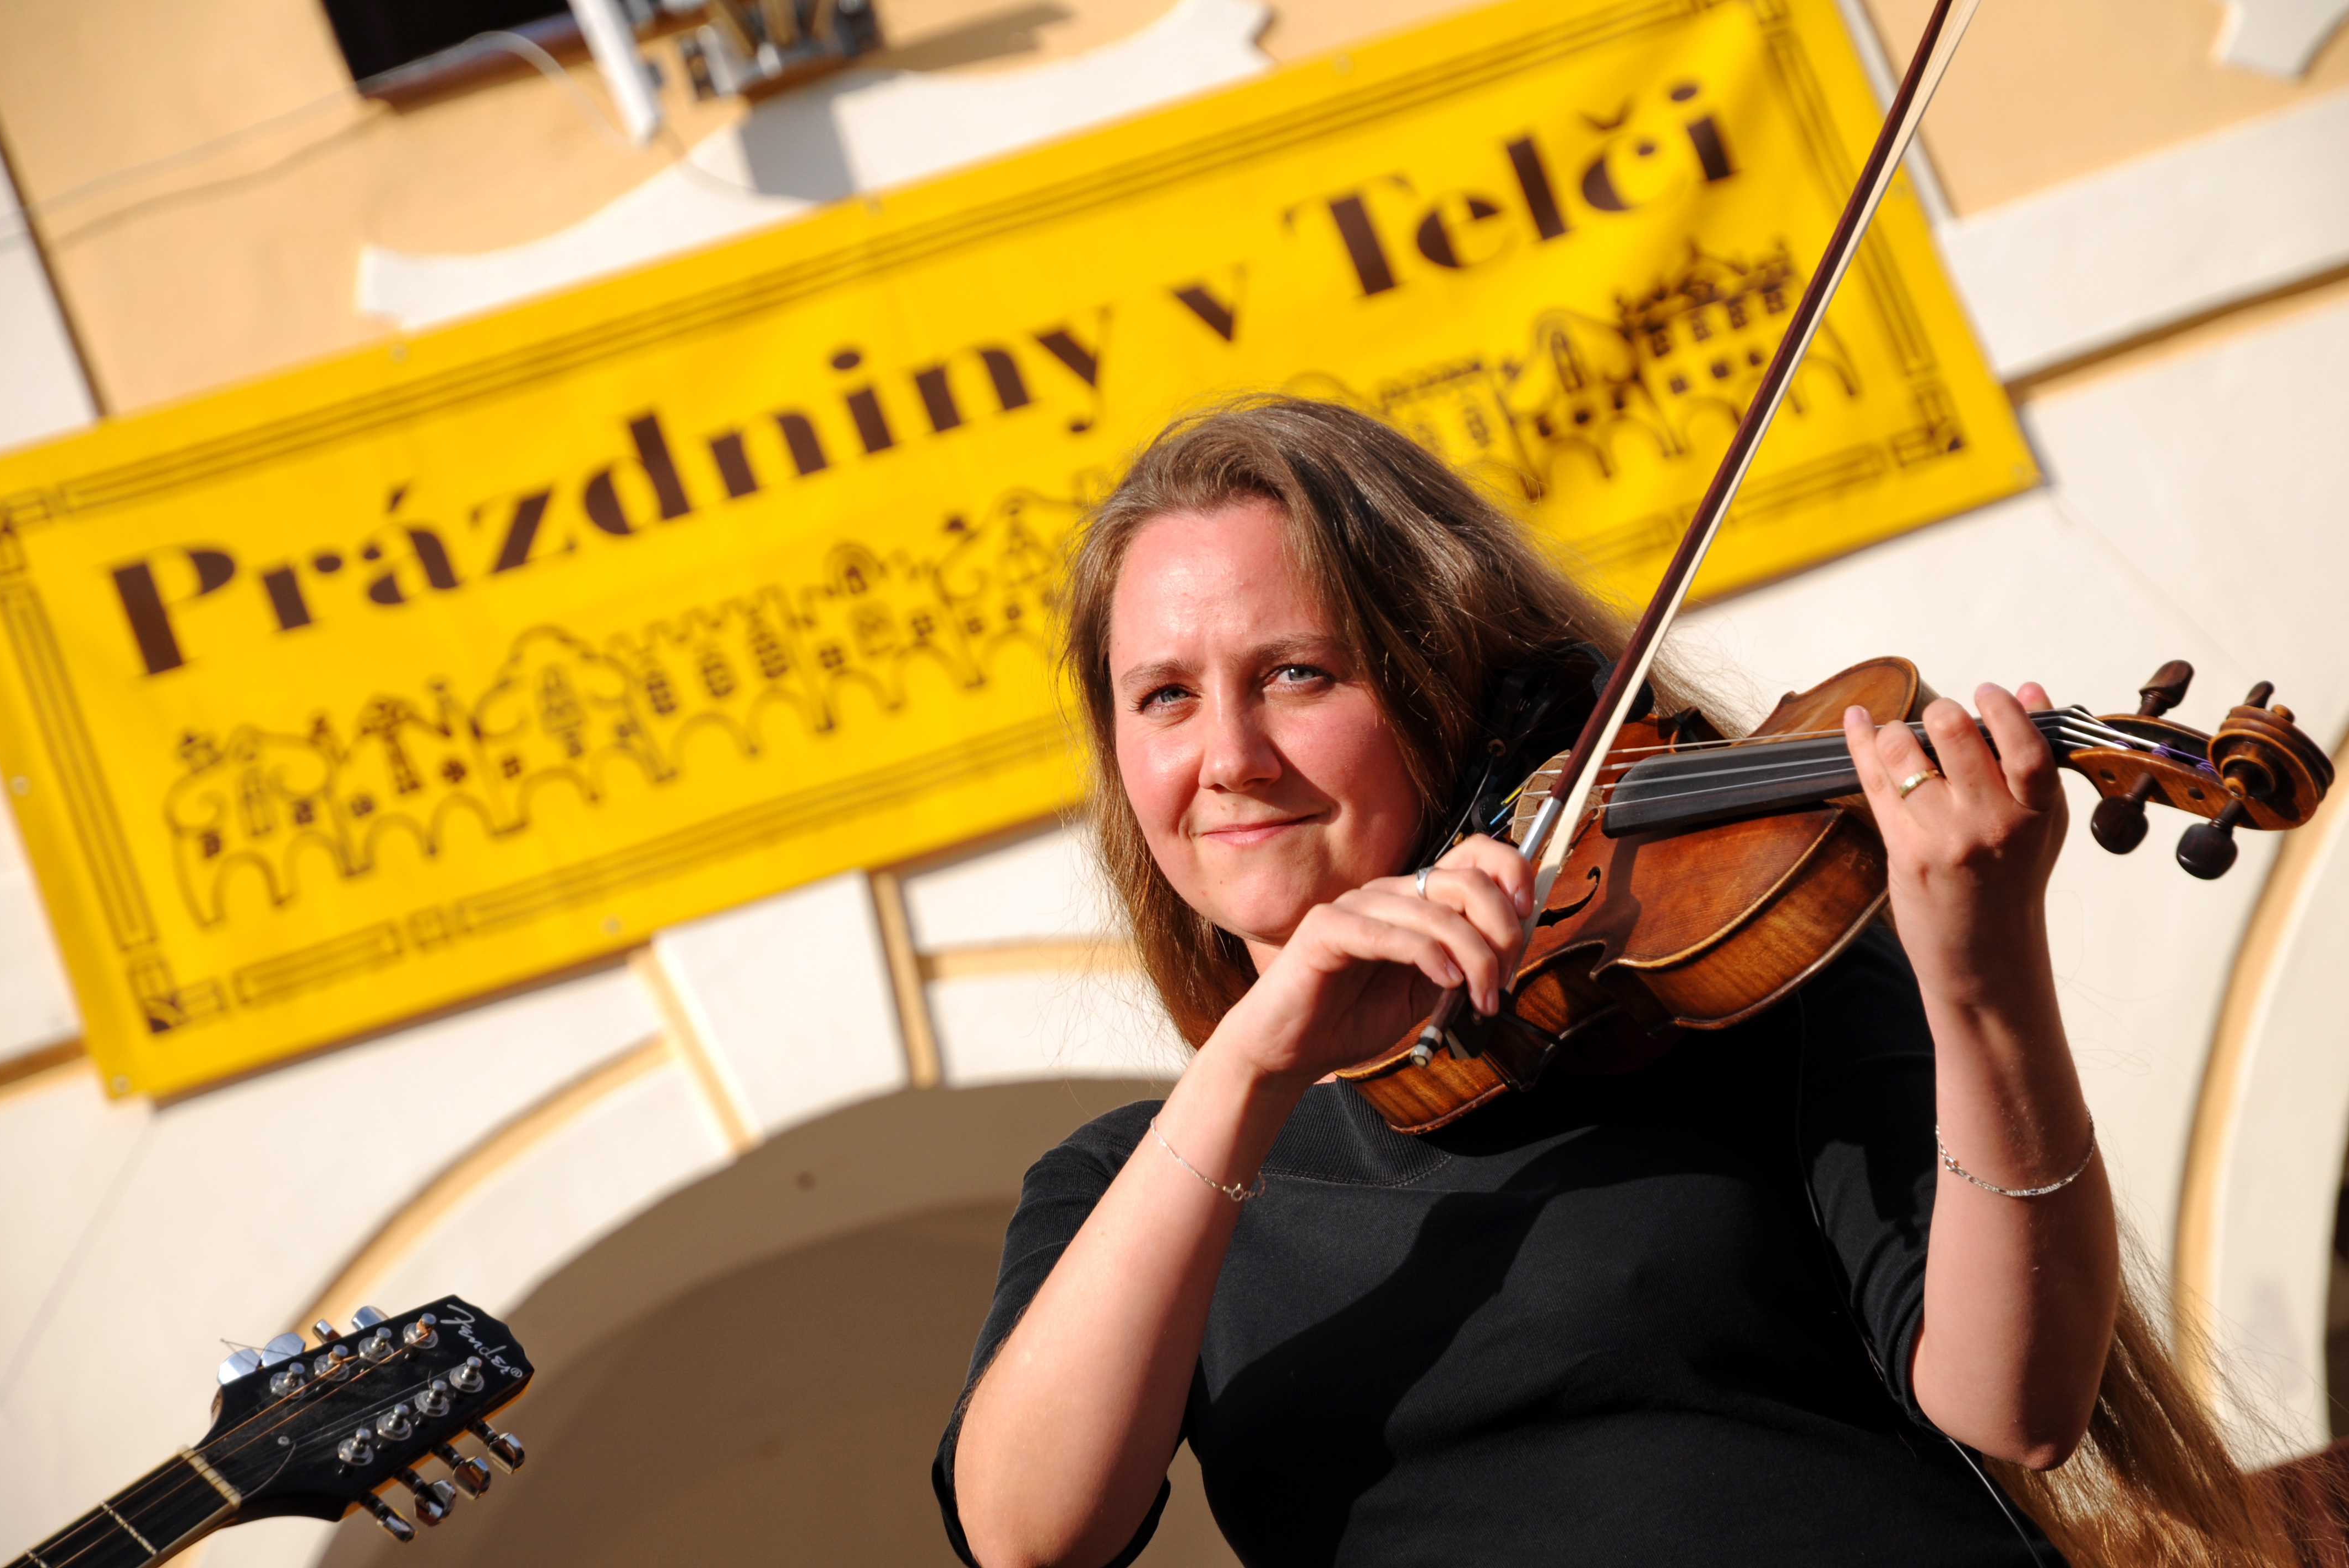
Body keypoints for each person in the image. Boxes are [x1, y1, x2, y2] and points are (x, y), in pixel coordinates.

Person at [932, 397, 2274, 1568]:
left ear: (1436, 681)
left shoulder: (1719, 969)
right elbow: (1027, 1533)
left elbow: (2015, 1404)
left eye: (1297, 674)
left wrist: (1981, 973)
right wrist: (1248, 1065)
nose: (1229, 756)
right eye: (1163, 696)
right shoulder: (1125, 1182)